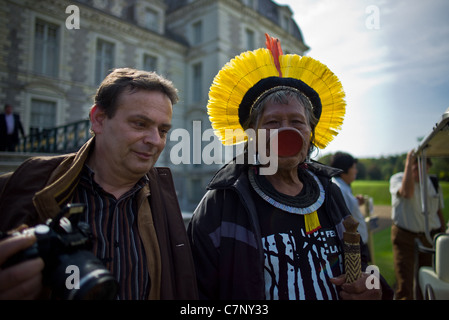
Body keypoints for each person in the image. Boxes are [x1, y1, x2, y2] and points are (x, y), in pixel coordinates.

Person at [188, 34, 392, 300]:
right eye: (272, 123)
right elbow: (197, 294)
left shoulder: (330, 194)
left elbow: (363, 261)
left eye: (297, 122)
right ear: (254, 136)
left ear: (310, 134)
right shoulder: (221, 203)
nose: (286, 131)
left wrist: (373, 284)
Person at [0, 68, 197, 300]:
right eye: (140, 124)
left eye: (163, 130)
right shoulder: (23, 185)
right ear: (98, 120)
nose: (155, 140)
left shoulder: (163, 196)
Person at [390, 149, 445, 300]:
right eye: (415, 167)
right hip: (405, 236)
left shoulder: (433, 182)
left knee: (426, 277)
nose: (420, 171)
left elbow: (438, 210)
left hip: (429, 235)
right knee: (404, 280)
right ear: (408, 167)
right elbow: (407, 193)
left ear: (428, 167)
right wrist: (409, 162)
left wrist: (443, 231)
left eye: (424, 167)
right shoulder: (398, 179)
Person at [330, 152, 371, 262]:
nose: (356, 171)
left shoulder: (342, 187)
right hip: (354, 245)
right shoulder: (339, 189)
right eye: (353, 167)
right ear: (344, 171)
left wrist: (356, 202)